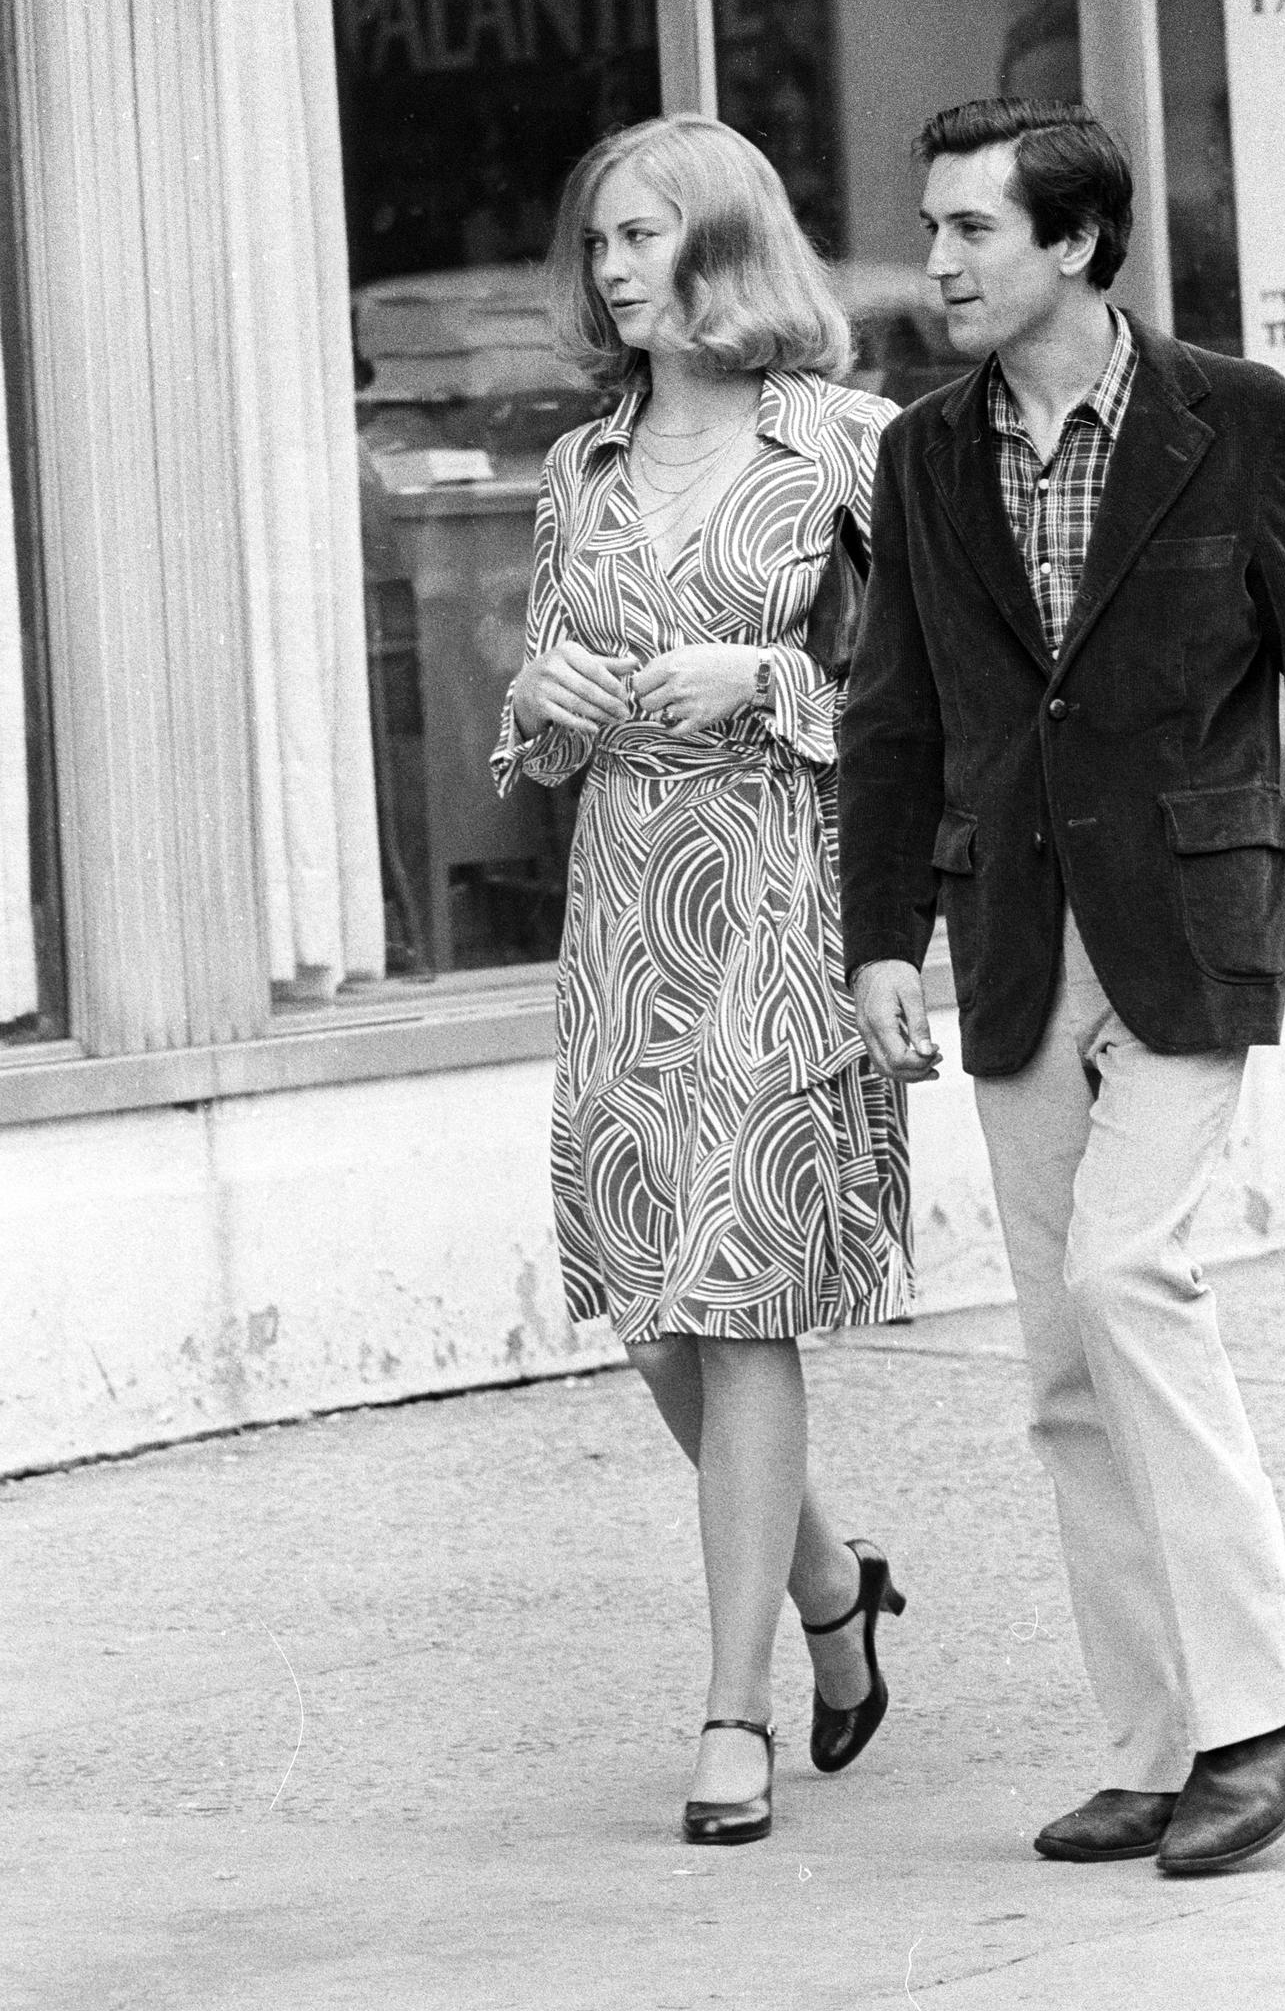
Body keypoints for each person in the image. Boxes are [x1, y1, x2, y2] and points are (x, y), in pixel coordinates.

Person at [838, 97, 1285, 1877]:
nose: (939, 261)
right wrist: (886, 935)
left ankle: (1258, 1714)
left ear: (1080, 246)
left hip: (1191, 924)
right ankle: (1155, 1737)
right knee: (1058, 1363)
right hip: (1012, 936)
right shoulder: (927, 453)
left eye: (973, 231)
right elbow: (896, 717)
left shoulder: (1236, 421)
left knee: (1129, 1276)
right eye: (936, 228)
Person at [493, 113, 909, 1848]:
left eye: (643, 234)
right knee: (652, 1309)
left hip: (784, 893)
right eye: (597, 242)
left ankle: (734, 1710)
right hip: (621, 914)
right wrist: (552, 705)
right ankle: (828, 1582)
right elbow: (531, 699)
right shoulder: (578, 466)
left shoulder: (849, 445)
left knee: (738, 1289)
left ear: (724, 240)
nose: (612, 268)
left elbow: (922, 702)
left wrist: (769, 675)